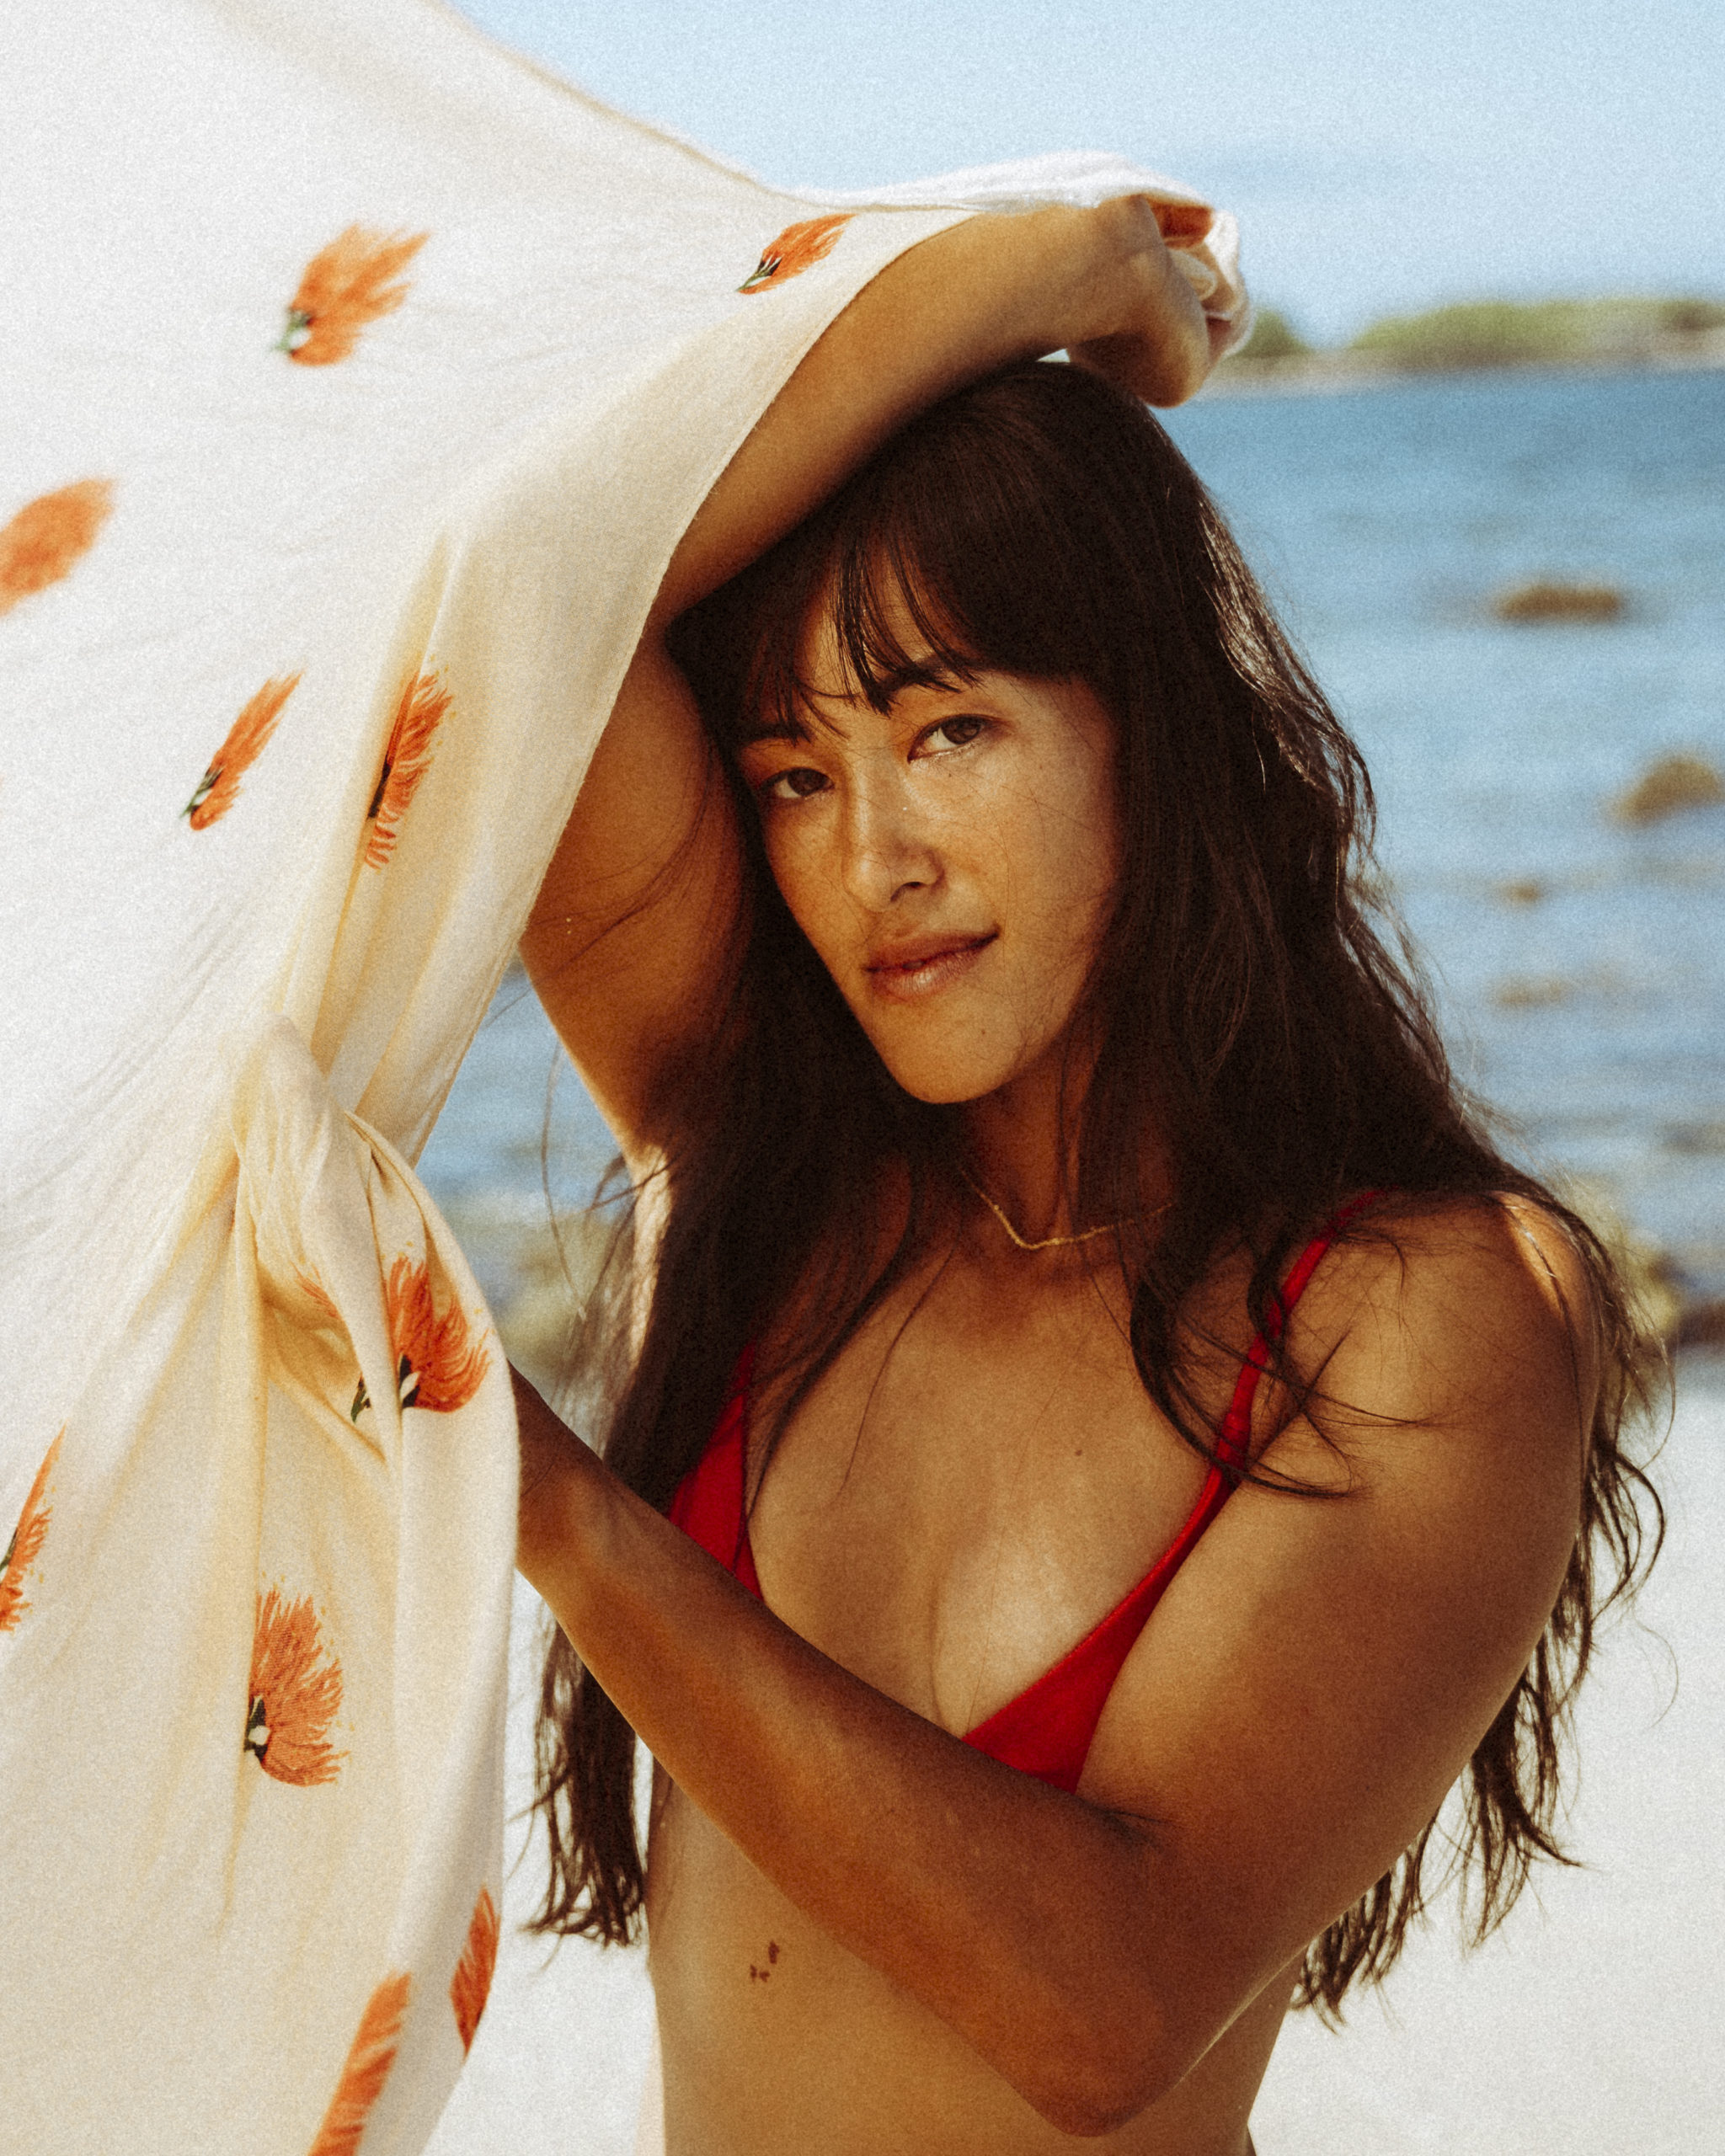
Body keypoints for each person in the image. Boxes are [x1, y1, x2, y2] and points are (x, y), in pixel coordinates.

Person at [508, 197, 1659, 2154]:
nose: (876, 856)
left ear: (1160, 738)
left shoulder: (1414, 1314)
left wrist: (557, 1514)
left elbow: (1102, 1998)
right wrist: (1050, 283)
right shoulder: (758, 1186)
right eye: (794, 769)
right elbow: (518, 596)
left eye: (949, 727)